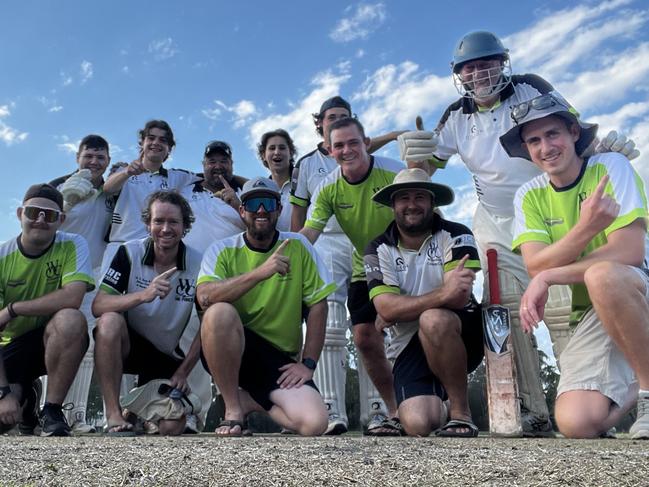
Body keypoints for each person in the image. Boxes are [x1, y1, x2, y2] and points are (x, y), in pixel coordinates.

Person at [395, 30, 639, 435]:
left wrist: (602, 151)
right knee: (503, 309)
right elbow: (426, 170)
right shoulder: (455, 115)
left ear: (503, 63)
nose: (479, 73)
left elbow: (569, 129)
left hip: (551, 210)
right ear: (460, 75)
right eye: (469, 68)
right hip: (495, 220)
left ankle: (581, 389)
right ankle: (529, 408)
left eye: (487, 63)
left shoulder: (532, 89)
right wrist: (415, 159)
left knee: (561, 306)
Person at [500, 93, 649, 440]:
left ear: (572, 133)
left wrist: (551, 273)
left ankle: (648, 396)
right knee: (576, 424)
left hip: (634, 289)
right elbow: (535, 263)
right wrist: (587, 227)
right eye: (533, 140)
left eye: (553, 134)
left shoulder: (610, 166)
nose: (545, 147)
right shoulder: (529, 194)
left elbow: (628, 253)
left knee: (603, 274)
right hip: (597, 309)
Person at [290, 96, 398, 435]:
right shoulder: (321, 179)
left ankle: (387, 409)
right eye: (339, 145)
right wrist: (281, 255)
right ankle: (335, 408)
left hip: (399, 256)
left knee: (396, 331)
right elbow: (308, 228)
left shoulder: (394, 171)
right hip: (354, 256)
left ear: (366, 141)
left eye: (354, 142)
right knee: (349, 330)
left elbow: (426, 216)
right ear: (327, 145)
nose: (347, 149)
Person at [198, 177, 335, 436]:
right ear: (242, 210)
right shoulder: (222, 250)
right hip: (233, 347)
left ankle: (248, 401)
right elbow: (204, 296)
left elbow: (319, 305)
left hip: (279, 358)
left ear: (279, 209)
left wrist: (307, 363)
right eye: (253, 203)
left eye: (268, 203)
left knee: (314, 423)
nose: (261, 210)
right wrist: (261, 272)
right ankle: (232, 410)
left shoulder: (299, 245)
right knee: (218, 312)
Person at [365, 168, 484, 437]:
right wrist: (441, 294)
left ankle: (461, 413)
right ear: (393, 205)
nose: (411, 205)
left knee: (434, 319)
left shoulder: (456, 233)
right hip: (409, 343)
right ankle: (439, 406)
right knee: (419, 424)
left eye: (420, 197)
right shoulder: (377, 248)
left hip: (460, 332)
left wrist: (400, 307)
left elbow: (459, 297)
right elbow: (385, 308)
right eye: (403, 198)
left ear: (432, 202)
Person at [92, 191, 203, 435]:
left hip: (164, 355)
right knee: (109, 321)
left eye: (173, 222)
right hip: (128, 344)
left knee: (172, 427)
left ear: (185, 226)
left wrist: (183, 372)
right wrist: (144, 295)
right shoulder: (129, 252)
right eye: (158, 221)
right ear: (147, 224)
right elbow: (98, 305)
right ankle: (113, 414)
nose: (165, 229)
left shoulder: (198, 262)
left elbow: (208, 325)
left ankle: (134, 410)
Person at [0, 184, 94, 436]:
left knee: (71, 318)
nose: (41, 220)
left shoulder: (73, 244)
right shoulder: (1, 256)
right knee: (4, 419)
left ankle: (52, 409)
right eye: (33, 212)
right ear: (20, 214)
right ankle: (26, 399)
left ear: (61, 220)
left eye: (50, 215)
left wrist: (13, 309)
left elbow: (73, 296)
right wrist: (4, 393)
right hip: (9, 347)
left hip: (51, 340)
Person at [44, 134, 113, 433]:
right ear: (78, 157)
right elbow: (38, 225)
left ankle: (77, 415)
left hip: (93, 275)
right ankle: (43, 411)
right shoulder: (56, 188)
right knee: (54, 342)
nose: (94, 162)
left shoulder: (111, 191)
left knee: (85, 345)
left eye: (100, 158)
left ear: (108, 161)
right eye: (89, 156)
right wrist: (68, 201)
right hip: (56, 273)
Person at [102, 120, 198, 266]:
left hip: (156, 252)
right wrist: (127, 172)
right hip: (119, 247)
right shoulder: (124, 172)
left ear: (169, 149)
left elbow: (209, 175)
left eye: (163, 140)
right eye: (151, 138)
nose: (156, 143)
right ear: (142, 143)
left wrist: (243, 183)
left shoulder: (177, 176)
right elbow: (107, 189)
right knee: (106, 290)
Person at [257, 129, 296, 232]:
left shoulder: (304, 182)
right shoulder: (261, 190)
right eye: (272, 148)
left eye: (282, 148)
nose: (277, 152)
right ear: (263, 155)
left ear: (291, 153)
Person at [198, 140, 248, 211]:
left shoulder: (245, 193)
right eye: (212, 162)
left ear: (231, 164)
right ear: (203, 165)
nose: (218, 166)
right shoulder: (187, 188)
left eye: (223, 161)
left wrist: (238, 206)